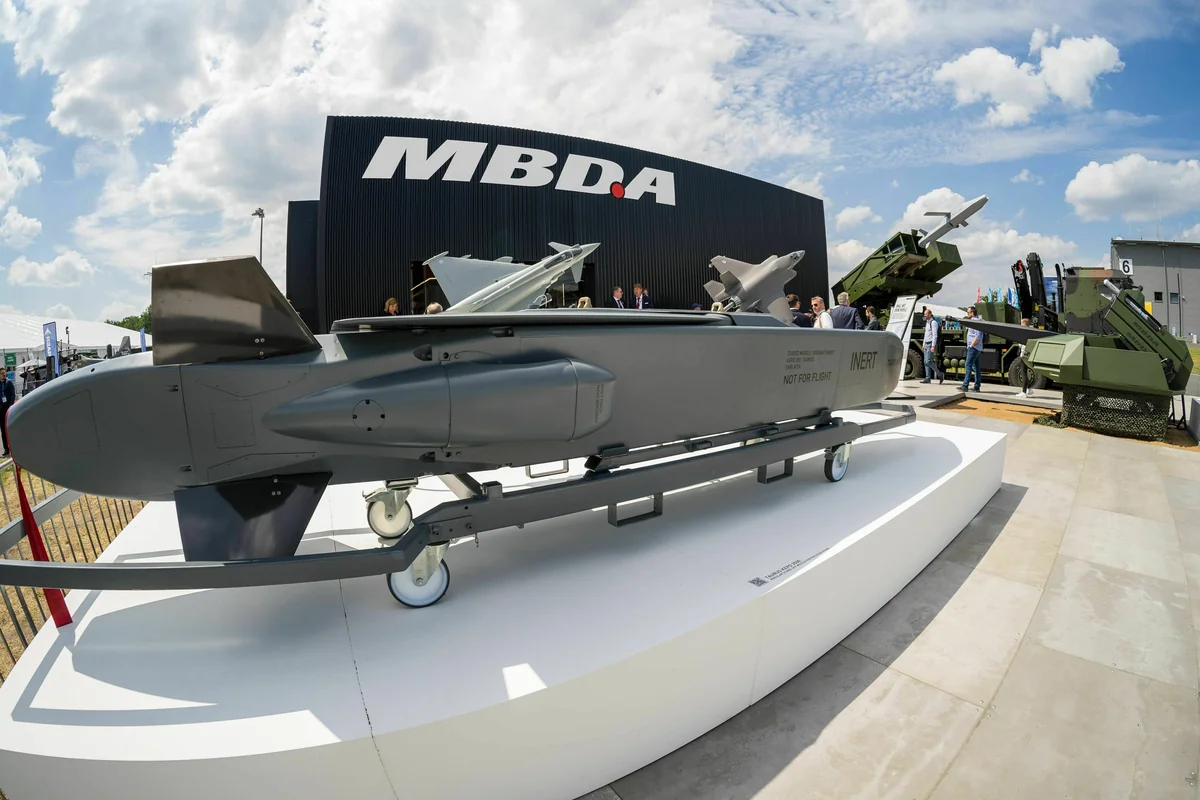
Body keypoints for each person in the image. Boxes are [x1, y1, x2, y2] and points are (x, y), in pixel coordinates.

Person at [960, 305, 984, 392]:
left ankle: (965, 385)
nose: (967, 314)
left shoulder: (975, 322)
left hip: (974, 347)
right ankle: (977, 386)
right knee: (976, 367)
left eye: (968, 312)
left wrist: (971, 346)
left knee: (968, 365)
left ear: (972, 313)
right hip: (976, 347)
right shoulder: (974, 322)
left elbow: (978, 336)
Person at [920, 307, 943, 384]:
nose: (925, 316)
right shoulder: (927, 323)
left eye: (926, 314)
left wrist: (933, 346)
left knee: (928, 361)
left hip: (930, 344)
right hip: (926, 343)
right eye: (924, 314)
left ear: (930, 314)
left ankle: (940, 374)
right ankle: (928, 378)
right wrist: (923, 344)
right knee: (925, 362)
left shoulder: (933, 323)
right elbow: (926, 334)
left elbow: (935, 335)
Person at [1015, 318, 1035, 398]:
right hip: (1027, 355)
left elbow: (1022, 344)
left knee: (1023, 372)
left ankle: (1024, 392)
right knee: (1024, 372)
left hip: (1024, 355)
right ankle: (1029, 389)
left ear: (1024, 324)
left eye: (1021, 324)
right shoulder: (1030, 332)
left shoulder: (1025, 332)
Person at [0, 368, 14, 456]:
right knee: (3, 431)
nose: (4, 374)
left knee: (9, 429)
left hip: (8, 409)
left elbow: (12, 395)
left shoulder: (9, 383)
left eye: (4, 373)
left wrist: (10, 406)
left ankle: (13, 448)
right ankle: (6, 449)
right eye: (2, 373)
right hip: (1, 409)